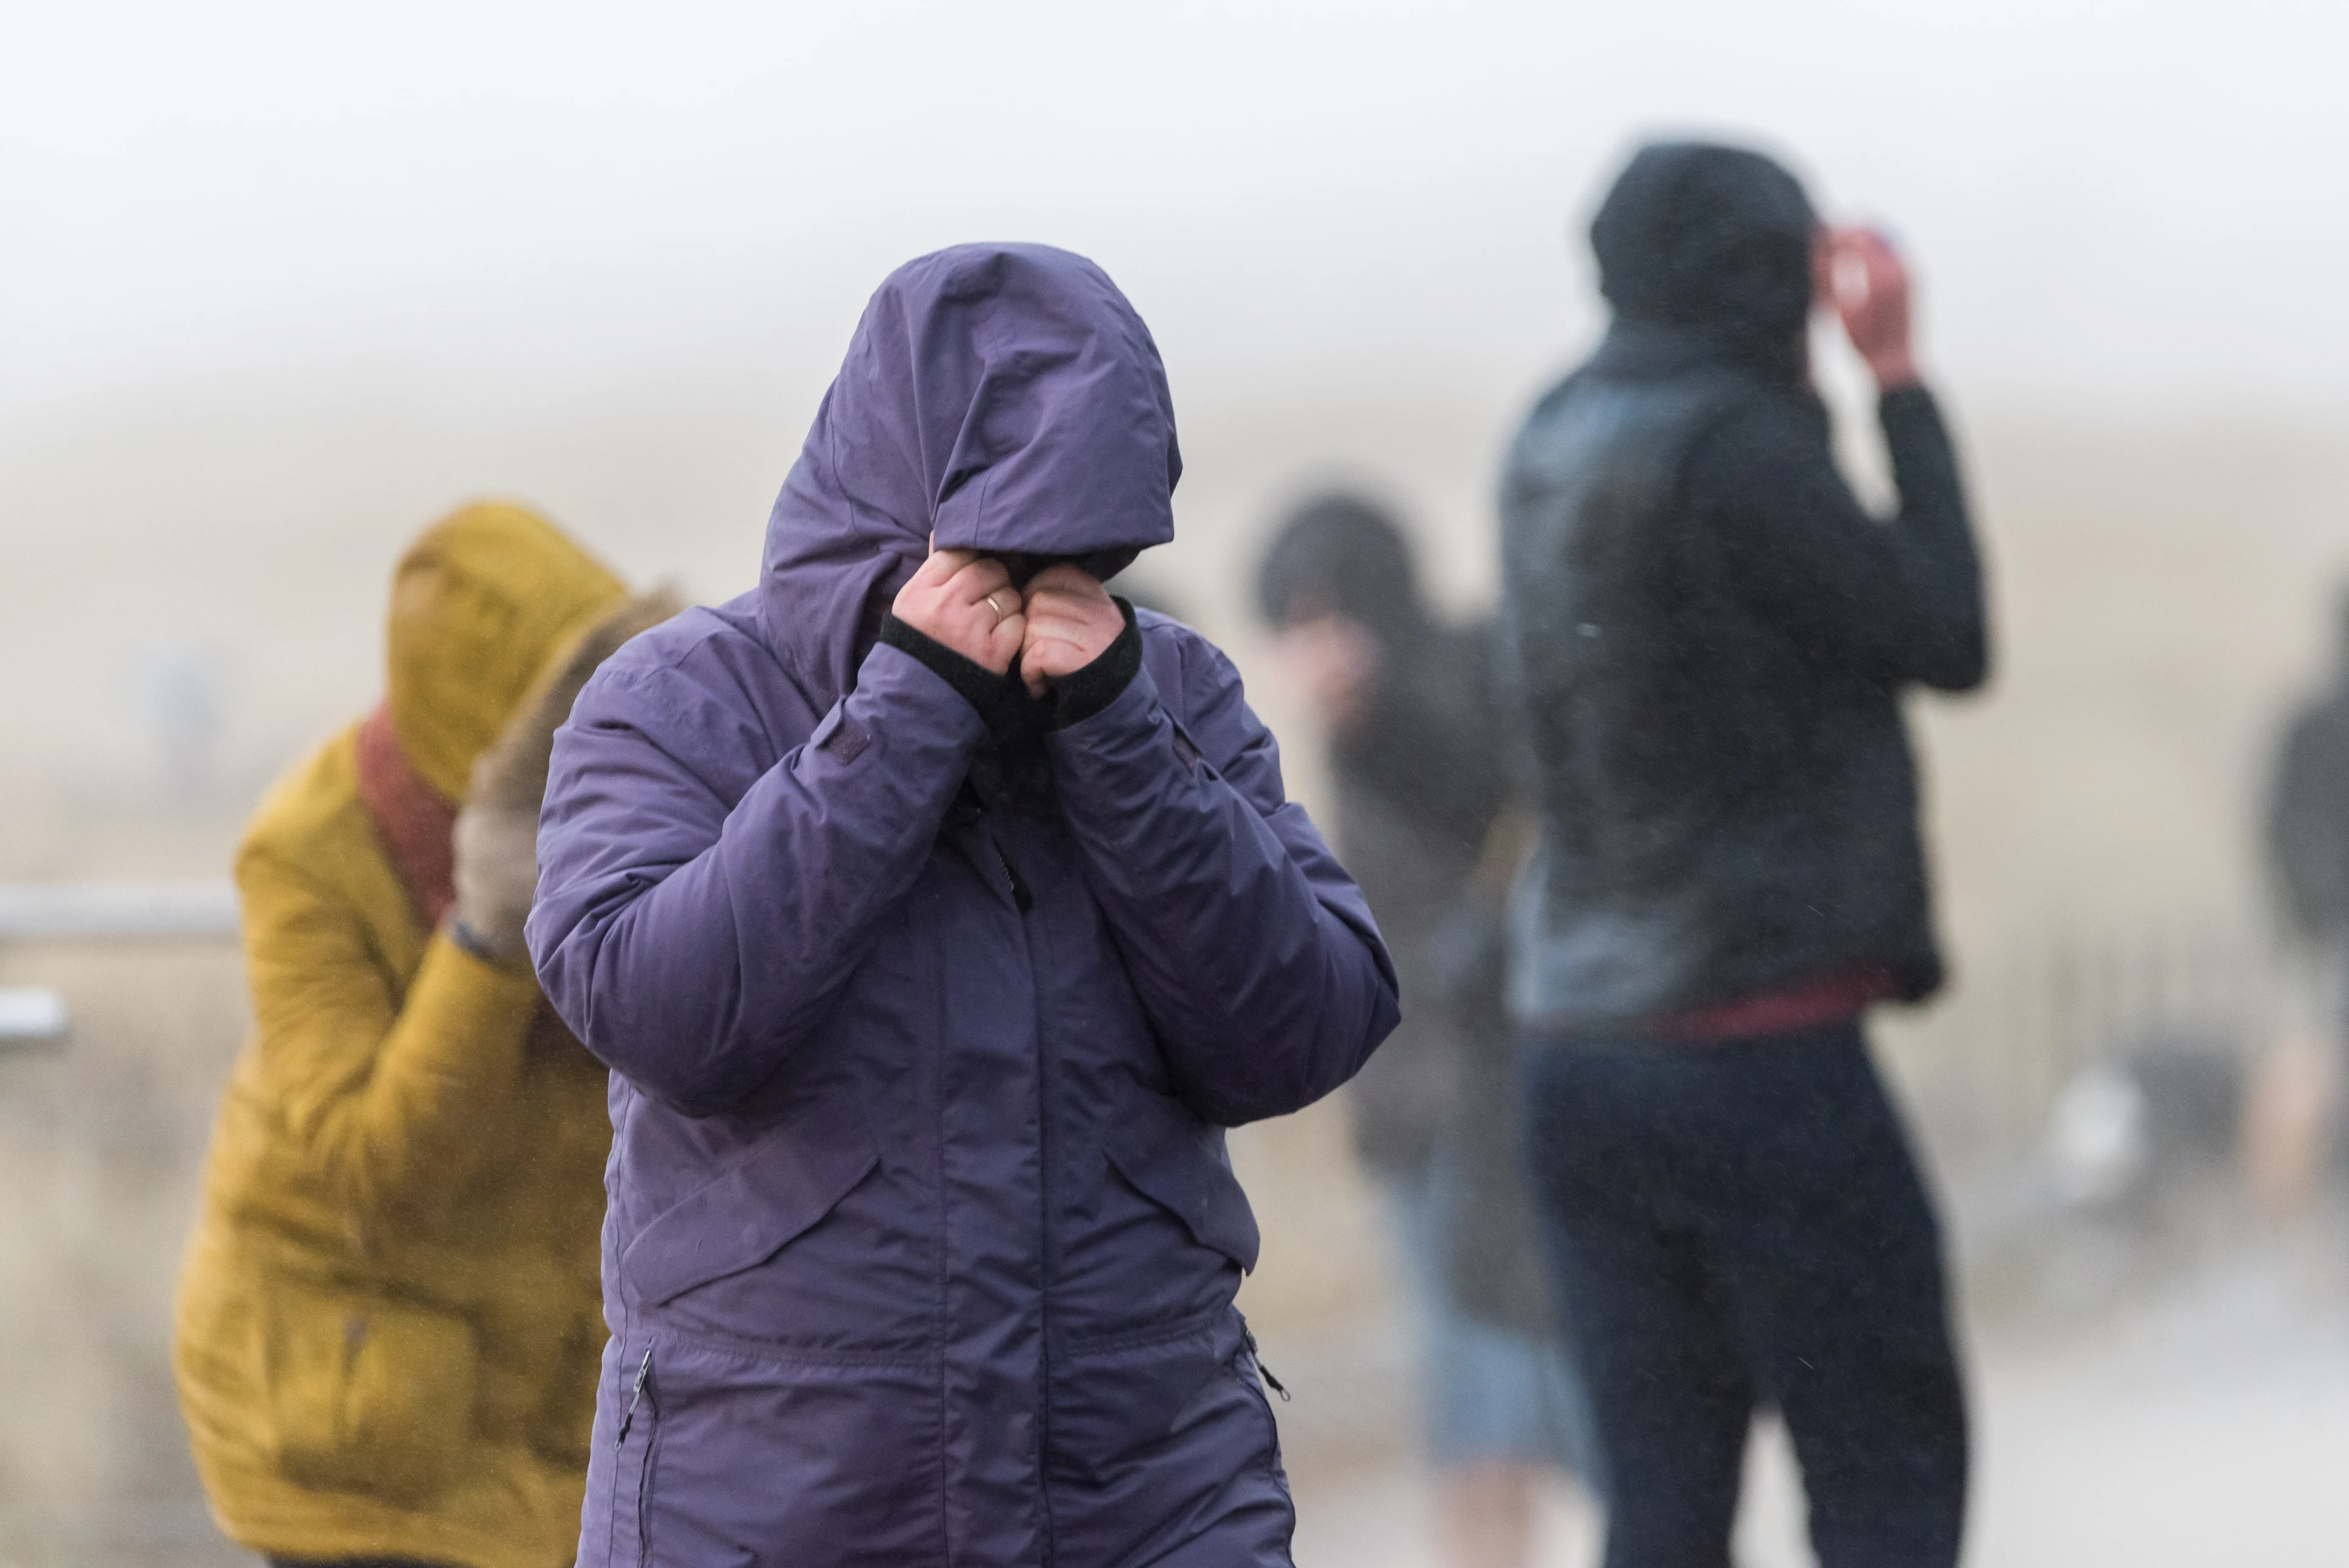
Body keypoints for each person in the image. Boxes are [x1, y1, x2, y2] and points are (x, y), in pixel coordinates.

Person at [527, 243, 1399, 1568]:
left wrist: (1119, 741)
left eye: (1085, 545)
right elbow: (661, 1013)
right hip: (777, 1499)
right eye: (1000, 543)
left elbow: (1307, 1026)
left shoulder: (1167, 693)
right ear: (893, 495)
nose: (1042, 579)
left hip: (1147, 1496)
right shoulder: (678, 699)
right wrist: (904, 713)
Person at [1498, 142, 1988, 1568]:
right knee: (1887, 1482)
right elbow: (1944, 630)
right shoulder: (1737, 449)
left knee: (1661, 1498)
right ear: (1770, 273)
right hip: (1758, 1047)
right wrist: (1894, 376)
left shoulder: (1547, 432)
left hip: (1579, 1049)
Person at [173, 501, 674, 1567]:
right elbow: (377, 1169)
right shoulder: (311, 851)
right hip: (359, 1424)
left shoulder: (630, 817)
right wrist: (489, 927)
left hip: (560, 1405)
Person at [1256, 493, 1597, 1567]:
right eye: (1296, 621)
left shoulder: (1464, 672)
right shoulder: (1353, 716)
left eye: (1332, 611)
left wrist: (1372, 721)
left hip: (1497, 1096)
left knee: (1526, 1395)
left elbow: (1469, 789)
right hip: (1409, 1099)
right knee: (1477, 1392)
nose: (1319, 644)